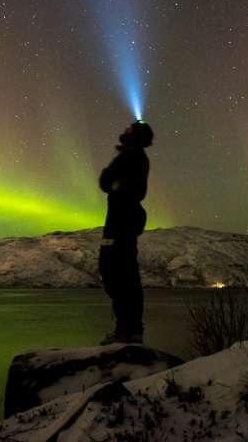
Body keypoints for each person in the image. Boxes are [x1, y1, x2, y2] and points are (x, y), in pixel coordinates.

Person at [98, 120, 152, 345]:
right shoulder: (131, 156)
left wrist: (114, 183)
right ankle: (128, 328)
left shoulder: (134, 157)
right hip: (121, 221)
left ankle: (128, 329)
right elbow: (107, 182)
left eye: (131, 128)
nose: (126, 129)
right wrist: (111, 182)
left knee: (119, 272)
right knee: (118, 273)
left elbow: (126, 187)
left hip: (122, 222)